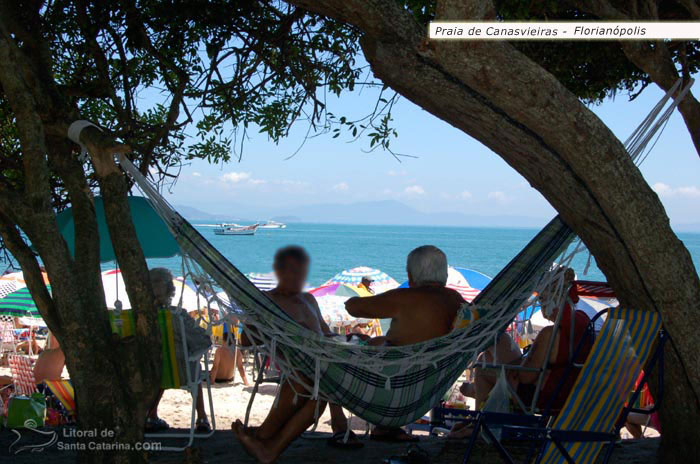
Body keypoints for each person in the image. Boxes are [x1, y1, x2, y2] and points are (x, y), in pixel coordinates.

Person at [232, 246, 362, 463]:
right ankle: (269, 437)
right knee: (314, 384)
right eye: (290, 270)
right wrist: (261, 323)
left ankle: (265, 439)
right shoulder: (267, 302)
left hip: (322, 362)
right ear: (278, 271)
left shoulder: (308, 300)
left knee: (320, 383)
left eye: (300, 270)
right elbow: (245, 341)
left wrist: (351, 341)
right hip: (296, 366)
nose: (296, 275)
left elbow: (326, 333)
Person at [451, 267, 593, 438]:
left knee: (482, 368)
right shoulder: (583, 321)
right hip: (567, 387)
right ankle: (480, 410)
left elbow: (526, 377)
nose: (541, 304)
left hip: (543, 394)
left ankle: (483, 426)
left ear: (553, 300)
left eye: (542, 299)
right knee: (496, 347)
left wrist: (510, 368)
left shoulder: (550, 333)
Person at [344, 245, 464, 442]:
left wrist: (353, 299)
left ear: (410, 275)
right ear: (444, 275)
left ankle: (355, 427)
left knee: (356, 347)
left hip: (394, 377)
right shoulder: (455, 299)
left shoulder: (404, 297)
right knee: (380, 341)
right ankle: (387, 428)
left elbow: (354, 308)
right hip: (431, 375)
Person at [146, 268, 212, 434]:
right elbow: (202, 340)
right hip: (181, 371)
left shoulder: (142, 317)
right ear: (170, 290)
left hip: (152, 372)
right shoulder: (178, 316)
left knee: (161, 369)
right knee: (194, 369)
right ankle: (202, 417)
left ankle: (150, 415)